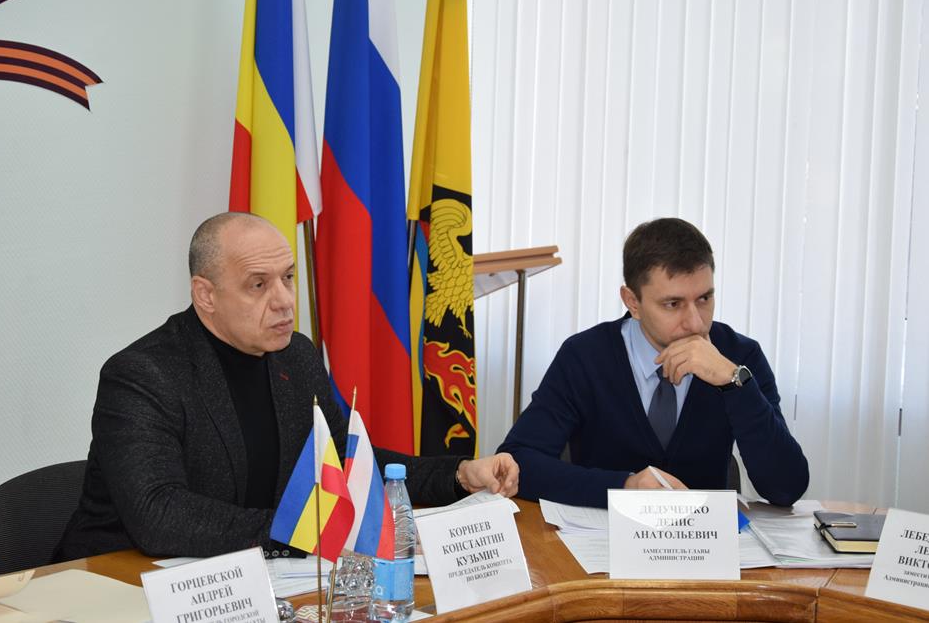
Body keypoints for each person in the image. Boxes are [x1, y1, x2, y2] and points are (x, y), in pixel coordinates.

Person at [56, 212, 517, 561]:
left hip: (250, 574)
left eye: (288, 278)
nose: (283, 301)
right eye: (258, 285)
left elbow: (347, 464)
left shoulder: (295, 356)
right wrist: (303, 533)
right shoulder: (142, 375)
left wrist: (458, 475)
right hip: (118, 582)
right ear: (206, 295)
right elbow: (160, 514)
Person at [498, 218, 808, 508]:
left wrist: (733, 382)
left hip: (705, 542)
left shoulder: (740, 357)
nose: (695, 323)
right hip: (602, 540)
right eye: (673, 304)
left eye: (704, 299)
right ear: (632, 302)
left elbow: (786, 488)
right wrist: (624, 486)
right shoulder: (585, 356)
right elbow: (518, 462)